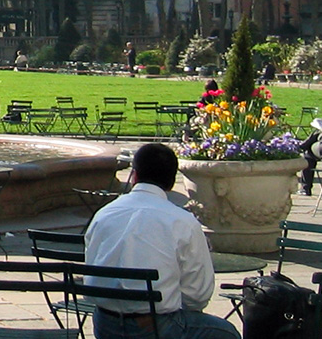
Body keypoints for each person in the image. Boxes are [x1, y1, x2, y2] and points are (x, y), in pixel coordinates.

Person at [84, 143, 239, 339]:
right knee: (226, 332)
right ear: (171, 182)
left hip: (106, 323)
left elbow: (92, 267)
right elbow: (198, 294)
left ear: (135, 176)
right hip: (156, 327)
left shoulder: (103, 215)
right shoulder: (181, 221)